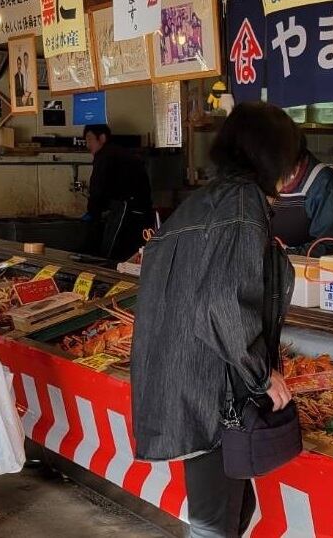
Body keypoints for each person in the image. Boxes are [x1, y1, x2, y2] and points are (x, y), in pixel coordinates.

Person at [131, 102, 299, 538]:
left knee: (228, 511)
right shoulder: (243, 204)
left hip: (181, 381)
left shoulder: (203, 201)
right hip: (212, 392)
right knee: (214, 521)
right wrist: (261, 375)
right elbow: (223, 301)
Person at [271, 136, 333, 257]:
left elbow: (331, 247)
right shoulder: (261, 178)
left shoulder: (326, 185)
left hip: (309, 267)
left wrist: (285, 254)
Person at [83, 124, 153, 260]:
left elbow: (97, 188)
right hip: (142, 211)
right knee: (134, 255)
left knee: (111, 254)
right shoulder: (120, 152)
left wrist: (92, 213)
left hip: (126, 209)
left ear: (102, 138)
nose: (87, 145)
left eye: (90, 139)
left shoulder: (105, 155)